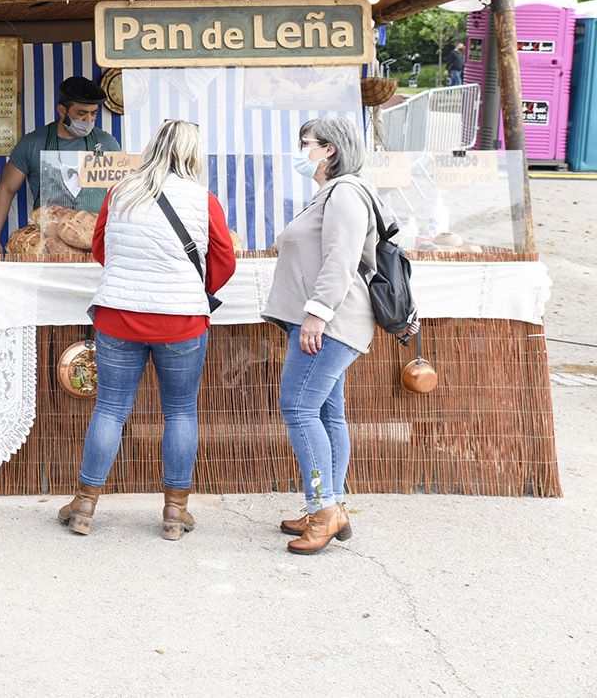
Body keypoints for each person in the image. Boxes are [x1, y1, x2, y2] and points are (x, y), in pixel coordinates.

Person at [56, 120, 236, 540]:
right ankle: (175, 512)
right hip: (181, 322)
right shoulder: (203, 199)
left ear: (153, 147)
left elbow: (101, 248)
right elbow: (224, 261)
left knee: (110, 409)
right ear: (192, 154)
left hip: (118, 316)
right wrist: (192, 290)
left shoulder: (120, 192)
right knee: (180, 411)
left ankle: (84, 504)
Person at [263, 115, 393, 555]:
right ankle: (329, 504)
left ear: (329, 150)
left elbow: (340, 259)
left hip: (331, 322)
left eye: (307, 144)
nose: (302, 151)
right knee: (326, 413)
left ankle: (324, 509)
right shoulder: (333, 194)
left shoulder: (345, 194)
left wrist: (317, 315)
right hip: (331, 319)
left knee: (298, 408)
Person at [0, 76, 120, 255]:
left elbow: (121, 194)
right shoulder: (33, 143)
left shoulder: (106, 144)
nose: (88, 119)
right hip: (49, 248)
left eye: (93, 113)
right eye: (81, 113)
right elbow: (6, 189)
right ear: (62, 110)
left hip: (97, 244)